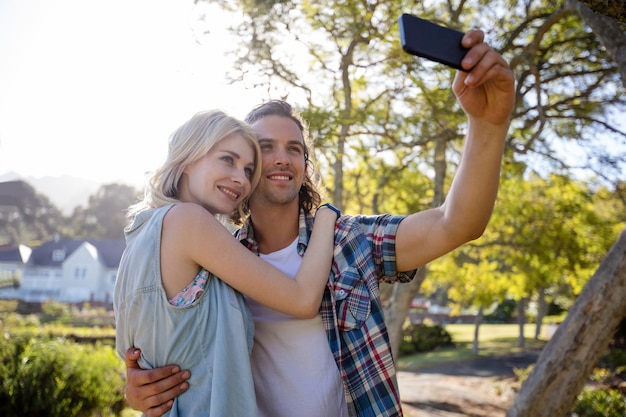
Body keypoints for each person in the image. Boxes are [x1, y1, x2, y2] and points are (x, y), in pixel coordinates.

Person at [123, 28, 516, 417]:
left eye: (294, 149)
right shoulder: (217, 260)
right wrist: (140, 386)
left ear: (304, 166)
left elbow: (456, 224)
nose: (281, 158)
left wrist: (489, 124)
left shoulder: (350, 239)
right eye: (263, 149)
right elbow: (175, 340)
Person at [114, 109, 339, 416]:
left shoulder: (140, 235)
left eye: (248, 170)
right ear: (189, 158)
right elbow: (302, 299)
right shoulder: (188, 221)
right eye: (228, 160)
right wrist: (326, 217)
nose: (241, 180)